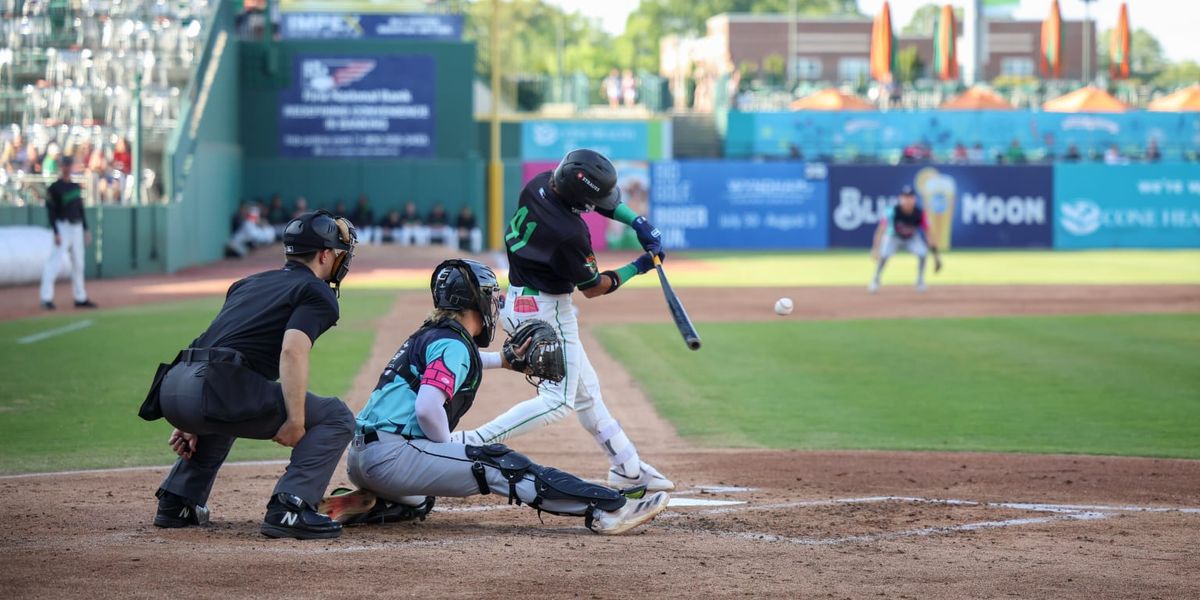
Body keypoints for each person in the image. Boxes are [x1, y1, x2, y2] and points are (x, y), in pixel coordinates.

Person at [322, 259, 670, 534]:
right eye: (489, 296)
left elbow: (456, 362)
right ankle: (607, 509)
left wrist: (502, 360)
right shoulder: (453, 344)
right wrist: (448, 447)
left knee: (423, 498)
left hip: (363, 459)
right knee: (499, 463)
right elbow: (427, 408)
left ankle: (375, 501)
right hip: (393, 458)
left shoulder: (430, 335)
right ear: (472, 301)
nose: (494, 305)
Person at [450, 149, 675, 492]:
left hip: (519, 301)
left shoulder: (539, 184)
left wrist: (637, 221)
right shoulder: (569, 233)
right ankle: (467, 444)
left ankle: (628, 468)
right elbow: (594, 287)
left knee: (587, 393)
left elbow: (594, 201)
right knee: (558, 401)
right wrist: (639, 266)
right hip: (547, 312)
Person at [138, 210, 359, 540]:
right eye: (338, 252)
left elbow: (212, 340)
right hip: (213, 388)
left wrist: (190, 420)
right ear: (324, 255)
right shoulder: (316, 291)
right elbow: (292, 351)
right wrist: (295, 421)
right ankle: (291, 507)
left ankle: (178, 500)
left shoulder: (248, 283)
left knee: (234, 400)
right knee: (337, 417)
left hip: (174, 386)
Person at [39, 157, 96, 310]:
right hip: (62, 226)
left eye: (68, 165)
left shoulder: (75, 186)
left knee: (79, 264)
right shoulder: (54, 188)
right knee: (54, 262)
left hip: (76, 227)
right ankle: (46, 298)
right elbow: (51, 212)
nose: (66, 168)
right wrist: (55, 231)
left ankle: (80, 297)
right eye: (64, 165)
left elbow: (80, 209)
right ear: (60, 166)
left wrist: (85, 229)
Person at [869, 185, 939, 294]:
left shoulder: (920, 213)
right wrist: (875, 249)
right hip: (893, 237)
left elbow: (928, 234)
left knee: (923, 253)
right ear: (900, 198)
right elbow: (881, 230)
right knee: (883, 255)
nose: (907, 200)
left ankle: (920, 281)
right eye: (905, 197)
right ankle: (875, 279)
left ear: (914, 199)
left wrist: (936, 257)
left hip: (911, 238)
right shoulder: (892, 211)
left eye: (910, 197)